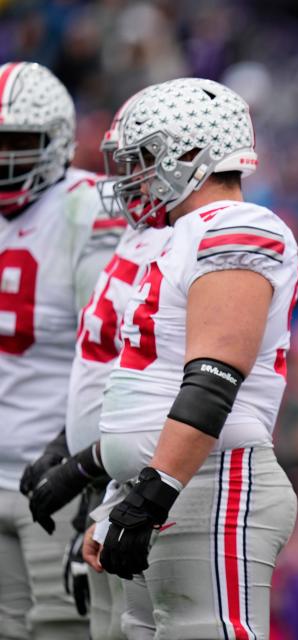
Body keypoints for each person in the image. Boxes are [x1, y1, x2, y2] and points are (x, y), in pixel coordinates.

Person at [86, 77, 298, 639]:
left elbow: (213, 377)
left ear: (190, 155)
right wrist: (118, 495)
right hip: (162, 482)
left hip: (210, 479)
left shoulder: (238, 226)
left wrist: (152, 494)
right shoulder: (174, 235)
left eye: (145, 157)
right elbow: (143, 383)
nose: (131, 174)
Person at [23, 89, 173, 640]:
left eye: (143, 161)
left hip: (167, 483)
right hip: (114, 482)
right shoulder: (135, 237)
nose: (128, 177)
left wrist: (83, 472)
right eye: (126, 162)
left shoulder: (198, 241)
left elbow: (172, 387)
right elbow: (102, 376)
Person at [0, 61, 121, 639]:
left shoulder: (89, 207)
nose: (4, 157)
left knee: (60, 629)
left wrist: (89, 484)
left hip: (52, 474)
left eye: (17, 142)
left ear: (58, 140)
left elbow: (111, 351)